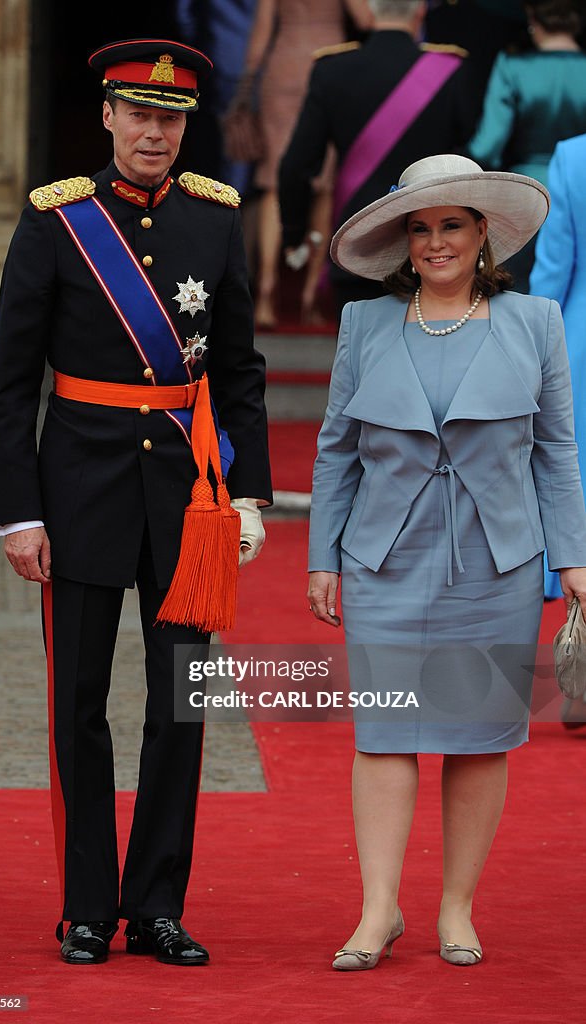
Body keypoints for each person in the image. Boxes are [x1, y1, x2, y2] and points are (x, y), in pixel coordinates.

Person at [0, 39, 272, 967]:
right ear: (107, 116)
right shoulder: (56, 222)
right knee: (79, 705)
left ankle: (155, 906)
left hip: (187, 500)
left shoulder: (216, 219)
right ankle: (83, 908)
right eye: (139, 114)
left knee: (180, 707)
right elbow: (11, 384)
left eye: (172, 117)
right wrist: (18, 513)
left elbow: (236, 370)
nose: (156, 131)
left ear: (187, 125)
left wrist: (253, 493)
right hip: (78, 492)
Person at [307, 153, 586, 968]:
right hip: (383, 559)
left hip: (494, 562)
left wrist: (572, 557)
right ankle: (377, 912)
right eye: (420, 228)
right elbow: (335, 453)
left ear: (481, 234)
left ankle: (455, 910)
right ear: (403, 241)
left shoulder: (533, 322)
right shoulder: (363, 324)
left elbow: (556, 452)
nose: (434, 243)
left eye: (451, 225)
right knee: (384, 734)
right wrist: (322, 555)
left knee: (473, 738)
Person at [278, 0, 480, 318]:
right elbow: (472, 157)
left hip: (358, 238)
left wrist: (294, 233)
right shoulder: (450, 69)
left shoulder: (332, 69)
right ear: (420, 12)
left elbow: (295, 166)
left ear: (370, 12)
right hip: (432, 243)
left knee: (360, 360)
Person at [227, 0, 373, 328]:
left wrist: (246, 85)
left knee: (273, 182)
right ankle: (309, 294)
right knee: (323, 185)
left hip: (283, 67)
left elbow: (261, 33)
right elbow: (365, 18)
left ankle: (265, 289)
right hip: (329, 66)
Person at [467, 0, 586, 292]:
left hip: (527, 196)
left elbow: (487, 145)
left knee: (520, 296)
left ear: (532, 18)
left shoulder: (513, 66)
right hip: (582, 189)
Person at [530, 134, 586, 609]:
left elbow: (554, 268)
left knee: (571, 458)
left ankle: (565, 563)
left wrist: (534, 343)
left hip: (579, 337)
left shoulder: (574, 155)